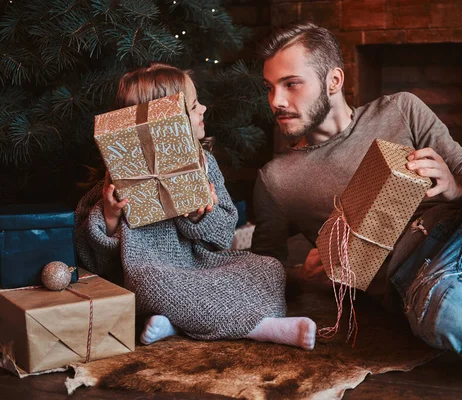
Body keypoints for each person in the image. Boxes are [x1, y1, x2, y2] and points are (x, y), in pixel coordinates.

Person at [252, 22, 462, 381]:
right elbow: (261, 272)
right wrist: (305, 278)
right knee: (447, 312)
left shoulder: (401, 109)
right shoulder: (277, 179)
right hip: (426, 277)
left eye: (291, 84)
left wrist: (454, 187)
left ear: (333, 81)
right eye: (269, 88)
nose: (275, 101)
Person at [75, 62, 316, 350]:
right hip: (153, 273)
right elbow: (94, 261)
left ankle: (175, 323)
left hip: (200, 265)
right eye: (192, 106)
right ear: (164, 122)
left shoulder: (204, 164)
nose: (203, 109)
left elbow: (224, 233)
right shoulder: (118, 178)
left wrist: (197, 217)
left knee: (269, 268)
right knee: (152, 285)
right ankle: (262, 327)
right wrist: (111, 216)